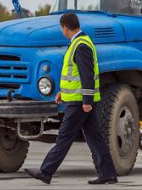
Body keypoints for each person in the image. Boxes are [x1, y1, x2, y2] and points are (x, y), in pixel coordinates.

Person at [25, 12, 118, 185]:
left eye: (62, 28)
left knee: (64, 137)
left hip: (79, 102)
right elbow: (73, 75)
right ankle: (108, 174)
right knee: (95, 138)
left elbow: (87, 75)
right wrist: (62, 92)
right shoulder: (77, 42)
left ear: (65, 27)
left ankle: (46, 172)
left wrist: (87, 102)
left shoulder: (81, 45)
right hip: (77, 99)